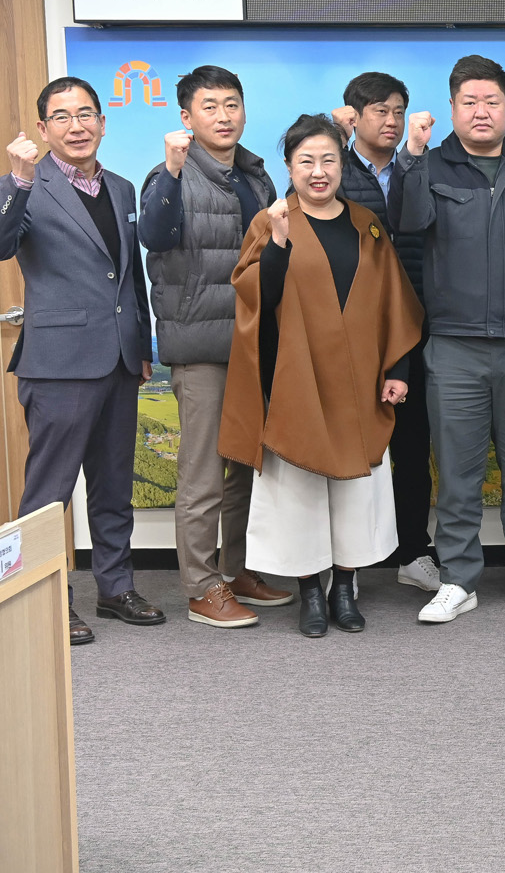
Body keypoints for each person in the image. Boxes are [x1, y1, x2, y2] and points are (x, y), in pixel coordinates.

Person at [219, 114, 422, 637]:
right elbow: (256, 301)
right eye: (306, 161)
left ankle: (345, 588)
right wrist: (278, 245)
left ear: (342, 165)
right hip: (297, 378)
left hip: (359, 379)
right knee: (300, 490)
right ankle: (310, 590)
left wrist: (397, 368)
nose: (318, 171)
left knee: (357, 491)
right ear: (289, 166)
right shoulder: (272, 220)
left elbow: (394, 301)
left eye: (329, 159)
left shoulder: (366, 224)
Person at [398, 55, 505, 624]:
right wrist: (411, 155)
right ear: (452, 109)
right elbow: (406, 221)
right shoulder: (429, 165)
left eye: (491, 101)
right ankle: (458, 578)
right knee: (458, 474)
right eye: (469, 102)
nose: (481, 111)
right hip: (454, 345)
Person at [2, 77, 160, 645]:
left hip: (119, 359)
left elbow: (129, 276)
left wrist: (141, 346)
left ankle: (116, 588)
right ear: (43, 129)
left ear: (102, 122)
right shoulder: (27, 184)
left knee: (114, 485)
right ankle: (44, 598)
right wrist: (17, 182)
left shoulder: (120, 187)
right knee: (49, 491)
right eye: (62, 117)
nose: (77, 126)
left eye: (86, 114)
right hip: (58, 362)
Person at [138, 65, 289, 628]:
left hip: (252, 344)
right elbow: (153, 235)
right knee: (202, 473)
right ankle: (202, 588)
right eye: (210, 106)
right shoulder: (168, 175)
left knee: (246, 469)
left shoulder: (255, 175)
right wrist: (173, 170)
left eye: (232, 104)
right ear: (186, 117)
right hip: (201, 345)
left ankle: (237, 570)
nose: (223, 116)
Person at [331, 71, 438, 594]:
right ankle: (345, 564)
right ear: (354, 117)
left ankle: (414, 551)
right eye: (379, 110)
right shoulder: (331, 167)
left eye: (398, 110)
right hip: (352, 329)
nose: (391, 120)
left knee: (414, 448)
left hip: (415, 324)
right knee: (353, 450)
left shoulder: (422, 166)